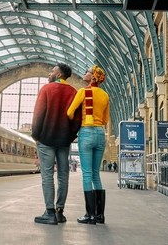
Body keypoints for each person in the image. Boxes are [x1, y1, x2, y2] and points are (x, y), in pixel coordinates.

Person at [31, 63, 79, 225]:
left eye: (52, 71)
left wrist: (36, 135)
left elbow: (38, 113)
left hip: (46, 138)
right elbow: (77, 118)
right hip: (64, 140)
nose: (49, 73)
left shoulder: (47, 89)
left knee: (47, 175)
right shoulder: (73, 92)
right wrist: (70, 136)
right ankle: (60, 212)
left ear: (59, 75)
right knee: (63, 175)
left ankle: (49, 212)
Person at [67, 65, 110, 225]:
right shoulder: (105, 95)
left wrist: (75, 122)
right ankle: (100, 215)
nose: (85, 73)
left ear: (93, 77)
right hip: (100, 134)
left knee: (86, 174)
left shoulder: (83, 92)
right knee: (95, 174)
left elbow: (70, 112)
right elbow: (105, 121)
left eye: (88, 72)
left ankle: (90, 215)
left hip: (86, 132)